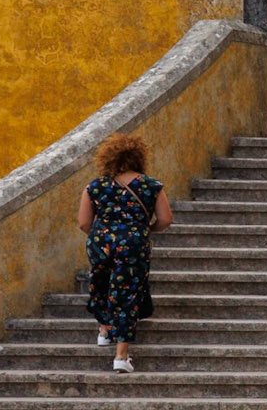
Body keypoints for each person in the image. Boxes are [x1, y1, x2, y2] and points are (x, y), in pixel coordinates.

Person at [78, 131, 173, 372]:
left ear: (108, 158)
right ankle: (121, 356)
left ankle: (104, 330)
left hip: (101, 242)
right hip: (133, 243)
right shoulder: (151, 186)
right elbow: (165, 219)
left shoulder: (95, 186)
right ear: (139, 157)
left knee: (101, 282)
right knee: (127, 292)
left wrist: (102, 236)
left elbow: (83, 223)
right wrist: (146, 229)